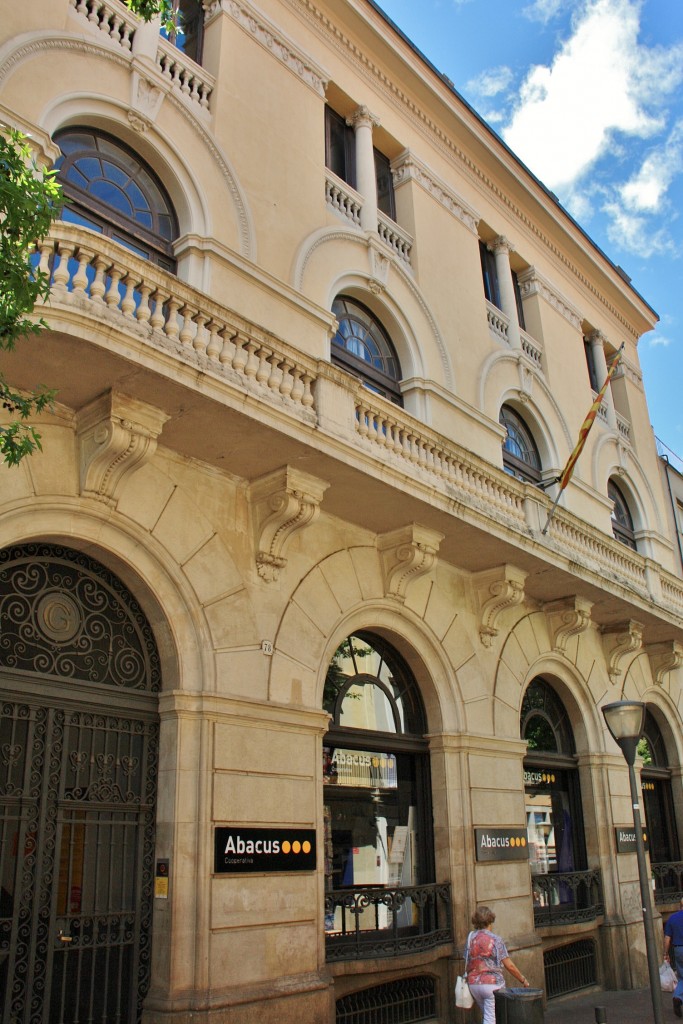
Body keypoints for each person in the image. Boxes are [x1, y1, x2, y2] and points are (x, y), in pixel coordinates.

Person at [465, 905, 530, 1024]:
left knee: (488, 1015)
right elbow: (509, 965)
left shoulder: (471, 938)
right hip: (492, 984)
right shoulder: (495, 939)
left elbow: (468, 960)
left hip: (474, 984)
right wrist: (523, 979)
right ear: (490, 921)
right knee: (490, 1018)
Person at [664, 897, 683, 1017]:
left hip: (678, 950)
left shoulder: (672, 918)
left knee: (681, 977)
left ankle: (677, 996)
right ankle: (678, 997)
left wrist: (666, 953)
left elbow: (667, 938)